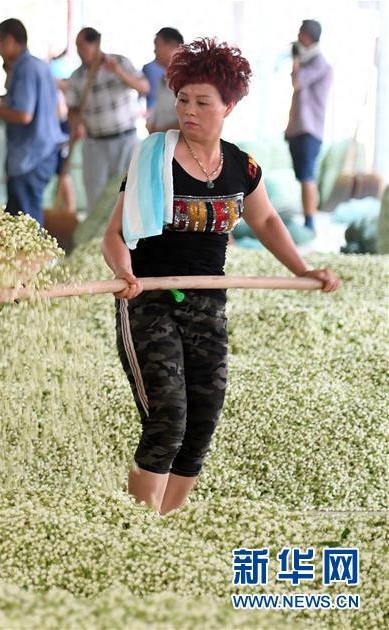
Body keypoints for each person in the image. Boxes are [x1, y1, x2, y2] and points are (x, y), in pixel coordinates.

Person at [100, 38, 341, 516]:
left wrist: (303, 269)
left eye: (203, 102)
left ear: (229, 106)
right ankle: (137, 528)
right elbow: (113, 234)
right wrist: (123, 270)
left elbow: (266, 220)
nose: (188, 111)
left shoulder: (241, 167)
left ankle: (167, 522)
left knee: (202, 420)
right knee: (168, 418)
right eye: (182, 99)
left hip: (208, 304)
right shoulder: (153, 158)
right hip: (148, 300)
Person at [0, 18, 66, 227]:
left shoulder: (25, 68)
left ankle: (37, 250)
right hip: (43, 152)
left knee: (26, 223)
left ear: (9, 40)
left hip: (31, 157)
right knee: (20, 217)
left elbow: (24, 114)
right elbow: (22, 102)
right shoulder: (39, 65)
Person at [67, 28, 149, 217]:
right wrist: (76, 125)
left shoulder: (120, 62)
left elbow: (144, 87)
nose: (79, 51)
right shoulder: (77, 76)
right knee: (95, 196)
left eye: (82, 46)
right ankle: (98, 235)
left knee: (128, 192)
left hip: (125, 139)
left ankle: (126, 234)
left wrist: (118, 72)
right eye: (77, 47)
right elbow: (72, 109)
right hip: (95, 143)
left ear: (95, 45)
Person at [286, 19, 333, 231]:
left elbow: (297, 82)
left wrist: (296, 59)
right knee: (303, 175)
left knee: (307, 176)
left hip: (309, 129)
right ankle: (308, 219)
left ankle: (310, 222)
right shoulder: (307, 61)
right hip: (298, 128)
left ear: (307, 36)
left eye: (300, 33)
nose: (297, 36)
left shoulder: (319, 63)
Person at [146, 27, 184, 133]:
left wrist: (159, 132)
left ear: (173, 46)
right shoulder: (162, 79)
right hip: (163, 140)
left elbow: (193, 120)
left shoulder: (188, 79)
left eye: (157, 45)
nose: (154, 51)